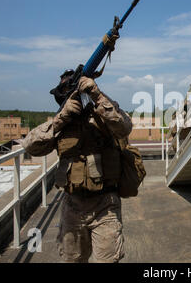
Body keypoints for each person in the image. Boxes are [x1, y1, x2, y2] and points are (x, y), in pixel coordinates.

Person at [22, 69, 132, 263]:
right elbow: (31, 146)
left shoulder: (103, 114)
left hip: (106, 204)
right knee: (72, 259)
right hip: (73, 205)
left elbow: (125, 126)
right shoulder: (61, 123)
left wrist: (97, 95)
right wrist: (61, 118)